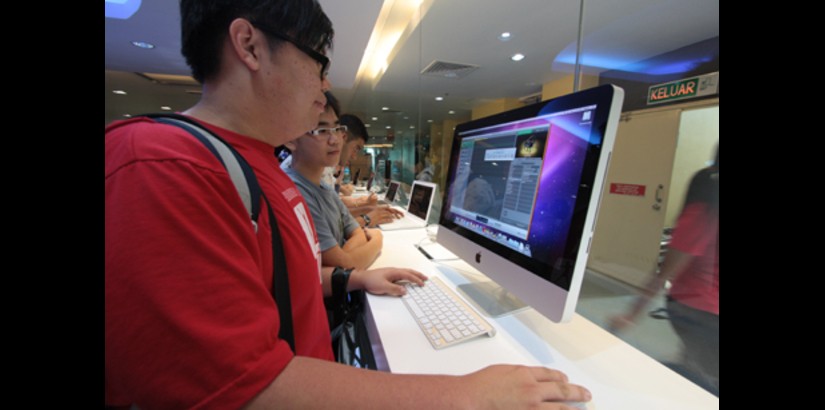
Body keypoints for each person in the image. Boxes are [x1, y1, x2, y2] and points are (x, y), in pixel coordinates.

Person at [105, 1, 592, 408]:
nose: (325, 88)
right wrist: (461, 395)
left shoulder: (262, 169)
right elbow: (241, 388)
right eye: (318, 64)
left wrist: (354, 277)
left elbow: (276, 278)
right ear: (250, 46)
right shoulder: (165, 166)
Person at [609, 149, 719, 395]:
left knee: (696, 370)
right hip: (700, 311)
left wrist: (631, 314)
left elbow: (667, 271)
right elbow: (668, 269)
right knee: (704, 377)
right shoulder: (707, 207)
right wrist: (631, 314)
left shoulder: (706, 199)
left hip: (701, 310)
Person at [282, 91, 382, 270]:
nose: (335, 140)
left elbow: (356, 234)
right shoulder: (294, 191)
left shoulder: (324, 188)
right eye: (321, 130)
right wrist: (377, 241)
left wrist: (344, 256)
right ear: (290, 138)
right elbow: (345, 267)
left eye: (337, 129)